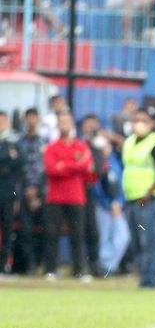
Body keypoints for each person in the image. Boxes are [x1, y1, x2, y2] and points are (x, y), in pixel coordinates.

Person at [42, 112, 93, 281]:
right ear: (57, 125)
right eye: (61, 121)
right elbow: (51, 170)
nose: (64, 124)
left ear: (72, 124)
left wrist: (64, 165)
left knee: (77, 234)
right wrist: (76, 165)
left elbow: (87, 166)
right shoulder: (52, 147)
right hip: (55, 197)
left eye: (67, 121)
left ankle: (79, 270)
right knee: (51, 234)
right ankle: (50, 270)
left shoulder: (80, 146)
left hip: (76, 197)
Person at [122, 109, 155, 288]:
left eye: (144, 120)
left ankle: (151, 280)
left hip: (148, 200)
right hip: (131, 199)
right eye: (137, 120)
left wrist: (148, 193)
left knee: (149, 241)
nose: (139, 124)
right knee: (136, 242)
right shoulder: (129, 142)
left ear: (151, 124)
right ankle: (143, 278)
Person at [92, 137, 129, 275]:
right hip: (103, 206)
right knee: (104, 237)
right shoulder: (97, 163)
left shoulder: (115, 162)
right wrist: (109, 204)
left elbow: (121, 184)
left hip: (117, 207)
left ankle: (109, 265)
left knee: (123, 236)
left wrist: (118, 203)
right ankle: (104, 267)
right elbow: (96, 187)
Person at [16, 108, 47, 274]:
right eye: (29, 118)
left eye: (34, 118)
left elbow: (45, 168)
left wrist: (38, 190)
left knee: (46, 229)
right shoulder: (19, 142)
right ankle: (30, 265)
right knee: (25, 231)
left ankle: (42, 263)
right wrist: (28, 189)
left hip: (43, 192)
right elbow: (19, 169)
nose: (32, 121)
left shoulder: (44, 142)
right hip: (23, 192)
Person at [79, 114, 109, 277]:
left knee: (92, 230)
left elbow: (99, 170)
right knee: (78, 230)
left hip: (93, 192)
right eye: (87, 125)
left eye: (93, 125)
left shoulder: (98, 146)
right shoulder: (78, 144)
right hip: (76, 189)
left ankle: (94, 265)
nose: (90, 128)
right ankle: (79, 265)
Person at [0, 112, 22, 273]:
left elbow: (20, 161)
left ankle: (4, 265)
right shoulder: (10, 146)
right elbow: (10, 159)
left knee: (8, 230)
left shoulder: (14, 141)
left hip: (8, 193)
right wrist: (8, 158)